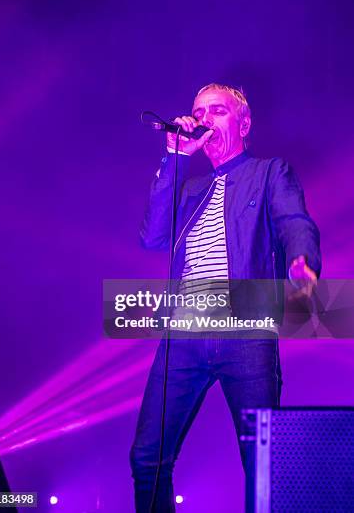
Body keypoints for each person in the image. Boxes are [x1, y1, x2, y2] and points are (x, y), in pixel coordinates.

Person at [130, 83, 321, 512]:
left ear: (244, 123)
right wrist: (177, 156)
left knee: (262, 463)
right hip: (185, 332)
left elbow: (294, 220)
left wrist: (301, 260)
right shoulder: (189, 188)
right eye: (199, 112)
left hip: (245, 329)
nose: (205, 119)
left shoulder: (269, 172)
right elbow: (153, 236)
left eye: (217, 110)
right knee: (147, 458)